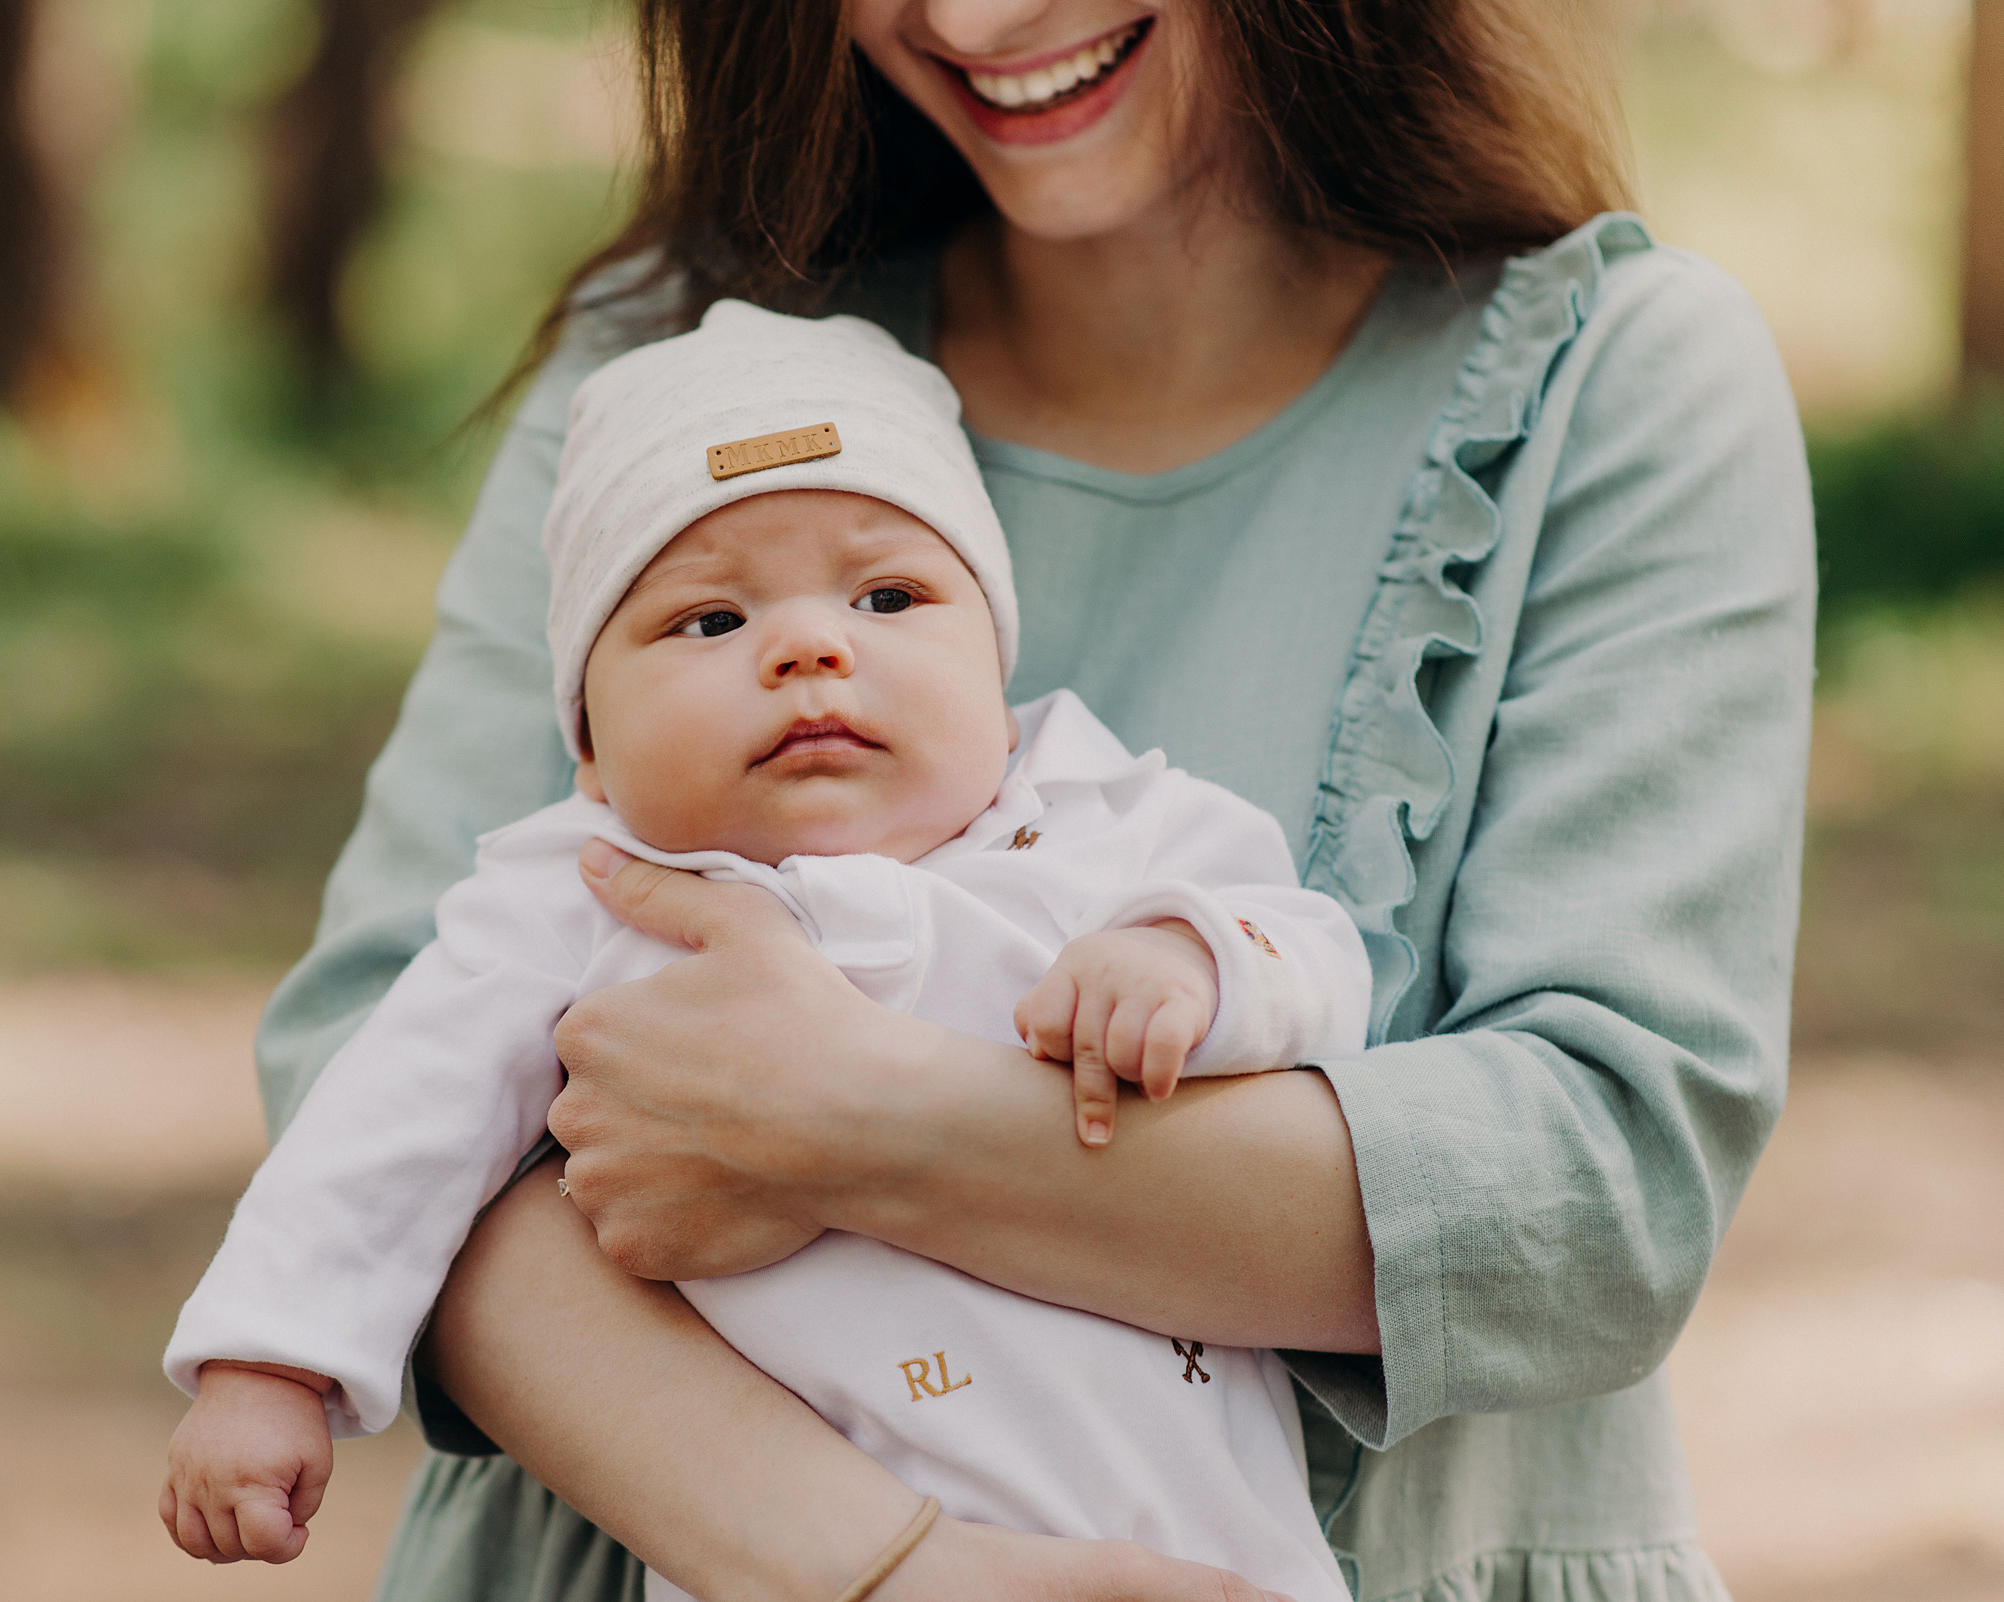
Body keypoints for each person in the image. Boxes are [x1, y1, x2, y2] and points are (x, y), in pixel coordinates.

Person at [229, 2, 1818, 1599]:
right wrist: (880, 1567)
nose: (977, 19)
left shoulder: (1614, 379)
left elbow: (1599, 1193)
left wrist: (842, 1119)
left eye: (887, 599)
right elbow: (376, 1061)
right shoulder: (675, 379)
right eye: (713, 621)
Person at [161, 301, 1376, 1602]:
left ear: (994, 659)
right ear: (589, 743)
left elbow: (1314, 952)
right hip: (818, 1550)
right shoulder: (579, 892)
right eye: (710, 621)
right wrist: (267, 1362)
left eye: (888, 596)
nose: (810, 645)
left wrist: (1190, 958)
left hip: (1215, 1552)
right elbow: (391, 1119)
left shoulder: (1103, 811)